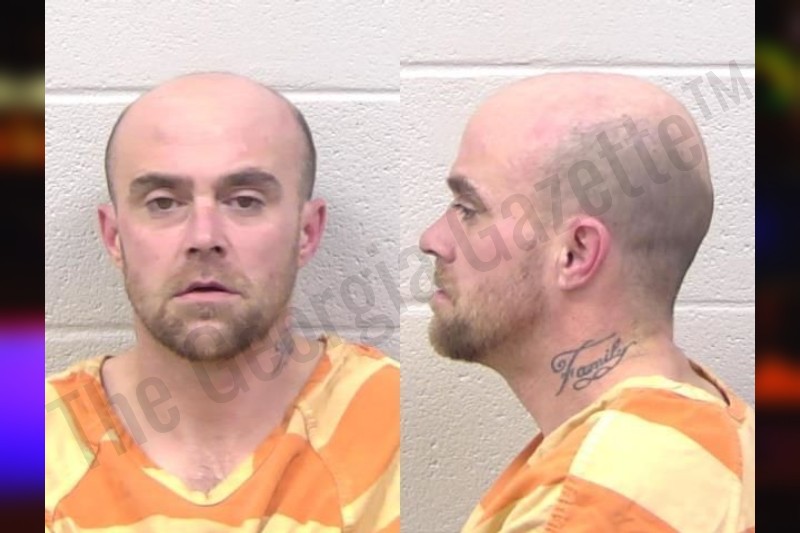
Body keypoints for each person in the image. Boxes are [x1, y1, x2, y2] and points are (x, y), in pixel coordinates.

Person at [45, 72, 399, 532]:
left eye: (245, 201)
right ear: (114, 237)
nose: (204, 237)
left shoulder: (387, 421)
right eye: (163, 203)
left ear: (307, 232)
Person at [419, 73, 754, 532]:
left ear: (576, 254)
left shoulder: (590, 506)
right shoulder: (717, 431)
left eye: (468, 209)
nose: (433, 239)